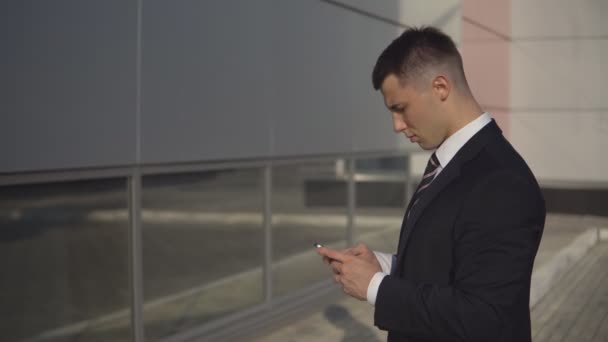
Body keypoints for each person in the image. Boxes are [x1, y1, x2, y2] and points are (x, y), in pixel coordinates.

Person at [317, 26, 546, 342]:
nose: (397, 125)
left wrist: (375, 287)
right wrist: (384, 266)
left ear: (440, 87)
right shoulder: (451, 162)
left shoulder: (501, 181)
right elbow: (451, 263)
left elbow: (487, 317)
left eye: (400, 108)